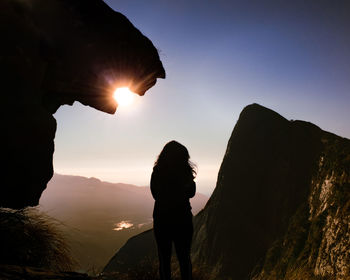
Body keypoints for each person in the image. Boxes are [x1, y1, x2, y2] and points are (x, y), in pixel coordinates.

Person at [151, 140, 196, 280]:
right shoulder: (185, 173)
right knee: (184, 259)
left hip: (162, 219)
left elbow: (155, 194)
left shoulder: (158, 172)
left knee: (164, 260)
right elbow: (191, 192)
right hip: (183, 219)